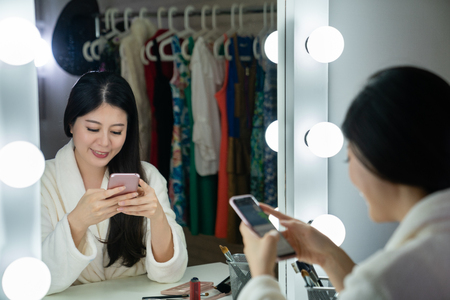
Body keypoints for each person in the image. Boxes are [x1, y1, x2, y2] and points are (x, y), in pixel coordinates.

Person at [238, 66, 450, 299]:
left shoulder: (388, 279)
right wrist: (327, 254)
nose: (350, 173)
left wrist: (261, 275)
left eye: (348, 157)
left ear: (381, 154)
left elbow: (378, 289)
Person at [41, 71, 188, 295]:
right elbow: (40, 278)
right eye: (93, 129)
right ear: (71, 124)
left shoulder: (147, 177)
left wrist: (157, 216)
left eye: (117, 131)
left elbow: (171, 274)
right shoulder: (40, 183)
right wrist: (77, 221)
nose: (104, 142)